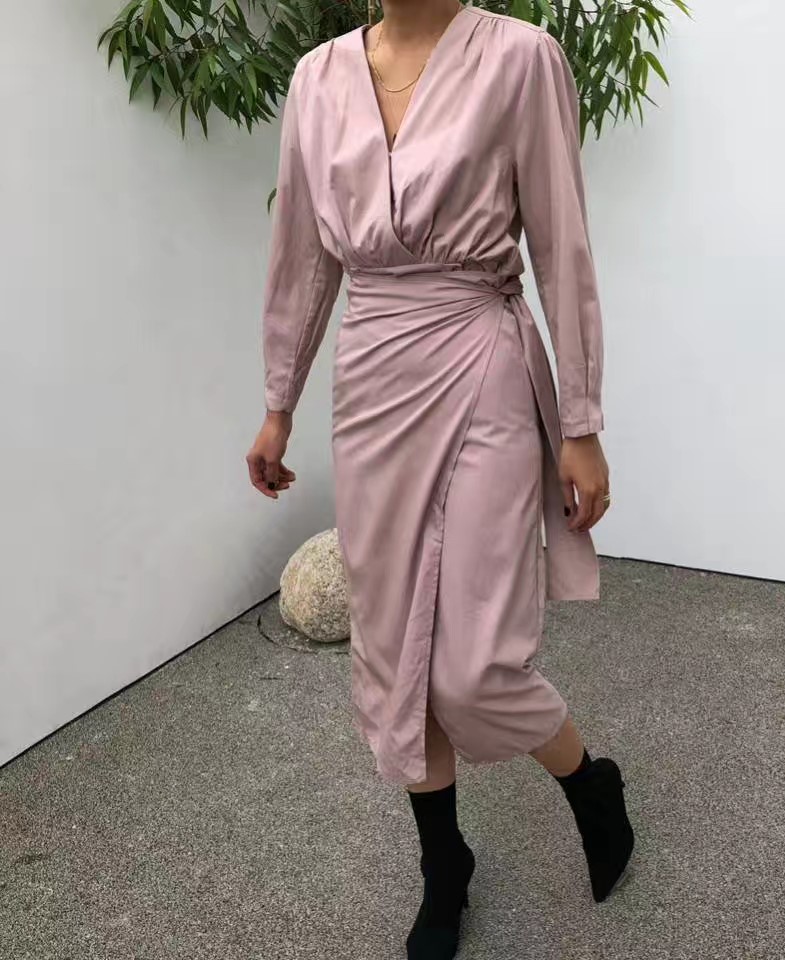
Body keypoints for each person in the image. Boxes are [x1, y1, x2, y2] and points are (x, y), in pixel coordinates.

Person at [246, 2, 634, 957]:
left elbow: (562, 245)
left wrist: (580, 421)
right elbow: (302, 256)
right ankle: (443, 865)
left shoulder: (522, 58)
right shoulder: (316, 78)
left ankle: (588, 779)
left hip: (481, 359)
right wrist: (278, 401)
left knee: (475, 668)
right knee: (392, 649)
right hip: (372, 375)